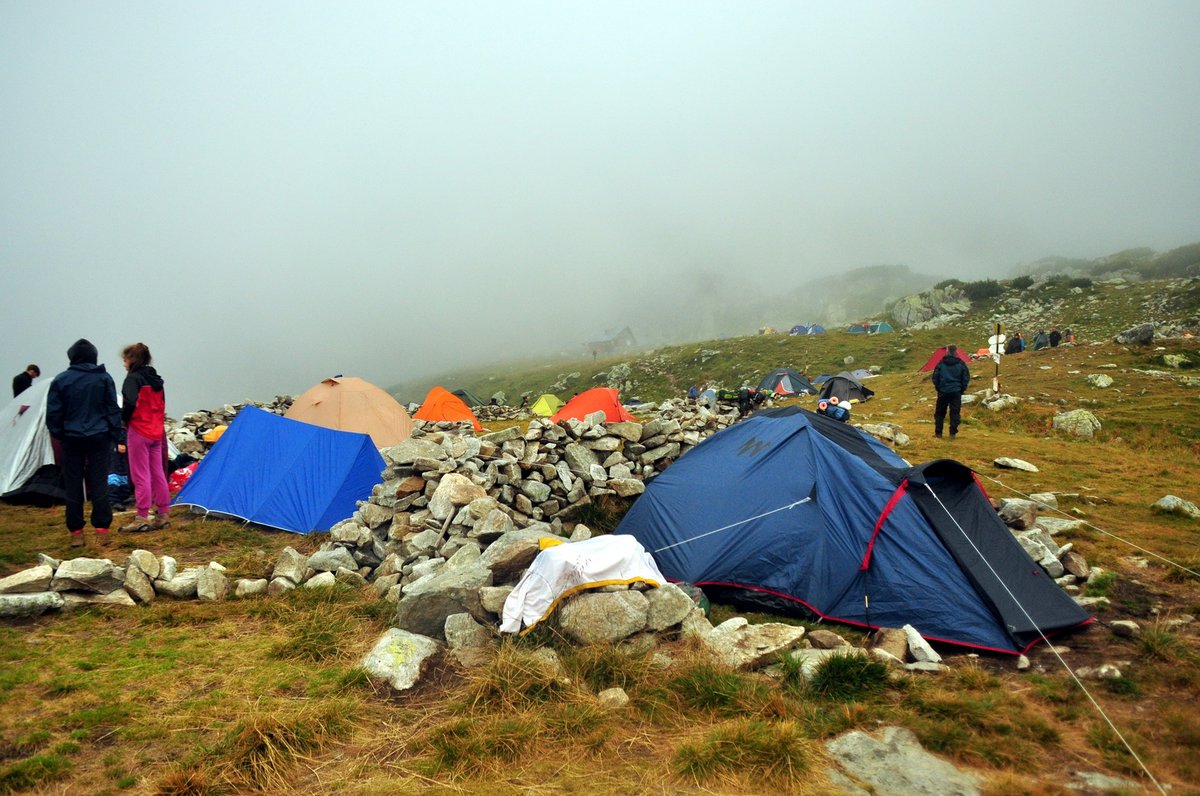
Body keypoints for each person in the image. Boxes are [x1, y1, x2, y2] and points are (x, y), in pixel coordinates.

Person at [46, 339, 124, 546]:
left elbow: (53, 413)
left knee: (73, 483)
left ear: (71, 357)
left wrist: (60, 434)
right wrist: (118, 436)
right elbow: (112, 409)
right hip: (100, 436)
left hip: (72, 437)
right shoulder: (104, 378)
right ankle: (102, 529)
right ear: (93, 356)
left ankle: (77, 532)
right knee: (99, 481)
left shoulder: (61, 380)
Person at [118, 342, 171, 532]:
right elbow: (162, 403)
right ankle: (163, 513)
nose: (123, 363)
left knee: (140, 474)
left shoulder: (132, 379)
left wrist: (124, 419)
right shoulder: (157, 380)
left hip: (139, 431)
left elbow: (130, 402)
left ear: (132, 359)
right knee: (157, 472)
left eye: (125, 359)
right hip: (156, 431)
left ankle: (142, 516)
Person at [931, 344, 971, 439]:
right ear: (956, 351)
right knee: (955, 412)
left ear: (947, 351)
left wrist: (939, 388)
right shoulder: (961, 363)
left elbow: (935, 377)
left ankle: (938, 433)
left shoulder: (941, 363)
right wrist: (962, 389)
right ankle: (952, 433)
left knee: (940, 413)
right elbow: (966, 378)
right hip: (956, 391)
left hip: (943, 391)